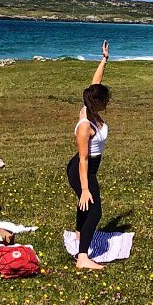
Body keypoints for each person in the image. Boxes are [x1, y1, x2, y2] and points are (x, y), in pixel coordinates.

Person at [66, 41, 112, 272]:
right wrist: (84, 189)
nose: (108, 102)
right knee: (94, 209)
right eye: (105, 100)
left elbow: (95, 83)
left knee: (86, 205)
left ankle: (78, 234)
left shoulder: (90, 105)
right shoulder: (86, 124)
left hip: (90, 168)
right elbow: (83, 160)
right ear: (97, 103)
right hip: (81, 169)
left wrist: (104, 59)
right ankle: (83, 257)